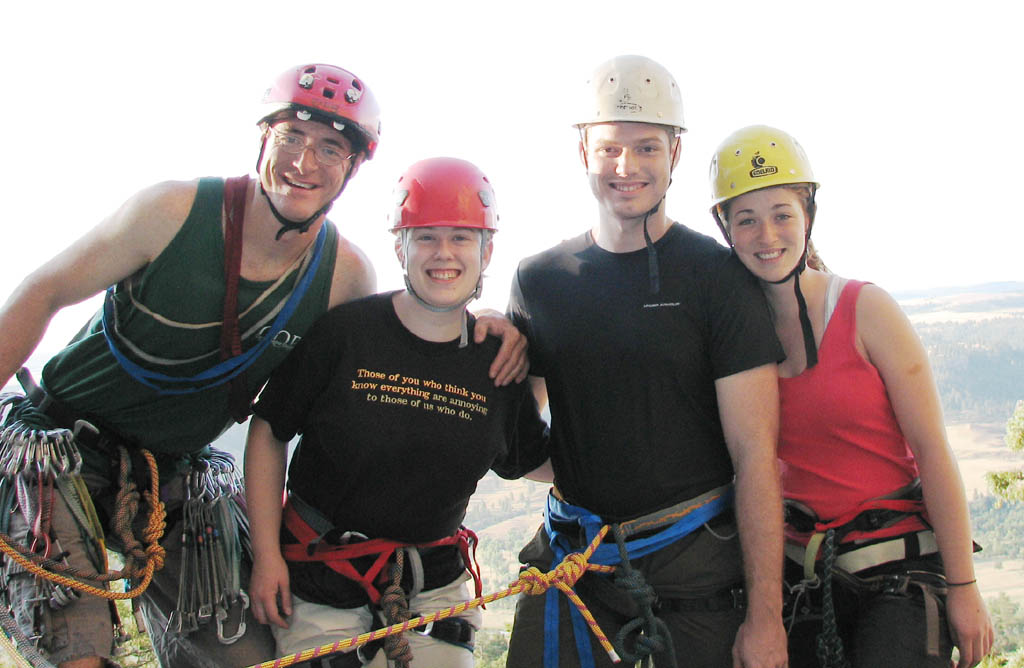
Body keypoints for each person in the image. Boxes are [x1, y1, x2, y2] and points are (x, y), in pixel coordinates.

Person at [0, 65, 525, 668]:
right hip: (60, 444)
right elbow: (42, 292)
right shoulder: (171, 213)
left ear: (351, 170)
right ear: (262, 141)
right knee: (78, 653)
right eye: (291, 139)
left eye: (331, 148)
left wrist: (482, 320)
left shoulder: (344, 278)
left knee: (245, 654)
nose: (305, 161)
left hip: (177, 471)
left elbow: (401, 341)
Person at [505, 55, 788, 668]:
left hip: (695, 571)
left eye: (646, 149)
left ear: (675, 153)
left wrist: (765, 616)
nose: (626, 167)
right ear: (583, 151)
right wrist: (484, 352)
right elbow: (525, 446)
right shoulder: (540, 281)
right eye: (609, 149)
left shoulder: (717, 277)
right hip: (577, 562)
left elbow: (755, 457)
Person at [244, 156, 549, 668]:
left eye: (461, 238)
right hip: (320, 572)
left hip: (432, 583)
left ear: (487, 250)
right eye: (425, 237)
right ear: (399, 246)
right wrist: (266, 555)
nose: (443, 254)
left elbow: (531, 459)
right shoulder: (346, 335)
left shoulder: (495, 365)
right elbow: (269, 431)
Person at [709, 124, 994, 668]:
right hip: (803, 579)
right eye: (746, 219)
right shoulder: (731, 340)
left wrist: (963, 586)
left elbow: (932, 450)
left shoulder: (866, 310)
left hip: (896, 570)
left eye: (782, 214)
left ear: (808, 215)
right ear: (725, 229)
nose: (766, 235)